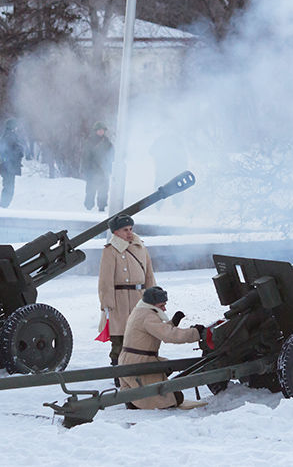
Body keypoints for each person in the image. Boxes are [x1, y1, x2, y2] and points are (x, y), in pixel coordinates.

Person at [118, 286, 205, 410]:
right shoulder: (148, 316)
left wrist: (172, 323)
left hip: (130, 359)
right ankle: (135, 401)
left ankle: (136, 398)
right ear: (152, 304)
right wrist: (195, 333)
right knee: (176, 398)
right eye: (162, 305)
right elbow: (169, 335)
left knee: (167, 365)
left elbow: (156, 330)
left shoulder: (140, 312)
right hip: (139, 362)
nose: (164, 308)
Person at [98, 214, 156, 373]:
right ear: (115, 232)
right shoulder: (111, 251)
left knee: (141, 337)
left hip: (140, 299)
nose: (129, 233)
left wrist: (154, 297)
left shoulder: (141, 247)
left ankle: (140, 371)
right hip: (120, 302)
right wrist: (107, 303)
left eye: (131, 229)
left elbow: (149, 274)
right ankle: (118, 373)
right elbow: (105, 280)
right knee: (120, 339)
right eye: (125, 230)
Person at [82, 121, 113, 212]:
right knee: (90, 190)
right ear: (95, 131)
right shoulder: (90, 142)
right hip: (92, 170)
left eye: (102, 130)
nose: (101, 132)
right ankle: (88, 208)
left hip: (104, 170)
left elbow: (112, 155)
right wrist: (87, 170)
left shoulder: (107, 143)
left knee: (103, 190)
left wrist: (110, 168)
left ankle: (101, 207)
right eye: (99, 130)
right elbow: (86, 157)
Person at [0, 120, 24, 208]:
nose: (17, 128)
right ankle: (3, 207)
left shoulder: (7, 136)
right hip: (8, 167)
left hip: (7, 167)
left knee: (8, 188)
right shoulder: (10, 136)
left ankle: (3, 207)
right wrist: (20, 151)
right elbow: (9, 151)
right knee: (9, 189)